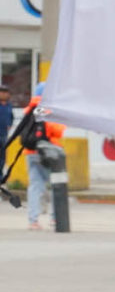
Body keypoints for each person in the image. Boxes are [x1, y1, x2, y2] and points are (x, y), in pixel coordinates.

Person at [10, 92, 59, 231]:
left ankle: (33, 221)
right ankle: (55, 217)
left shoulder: (29, 109)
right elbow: (57, 130)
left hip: (30, 153)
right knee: (56, 185)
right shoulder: (47, 109)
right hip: (46, 152)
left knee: (34, 186)